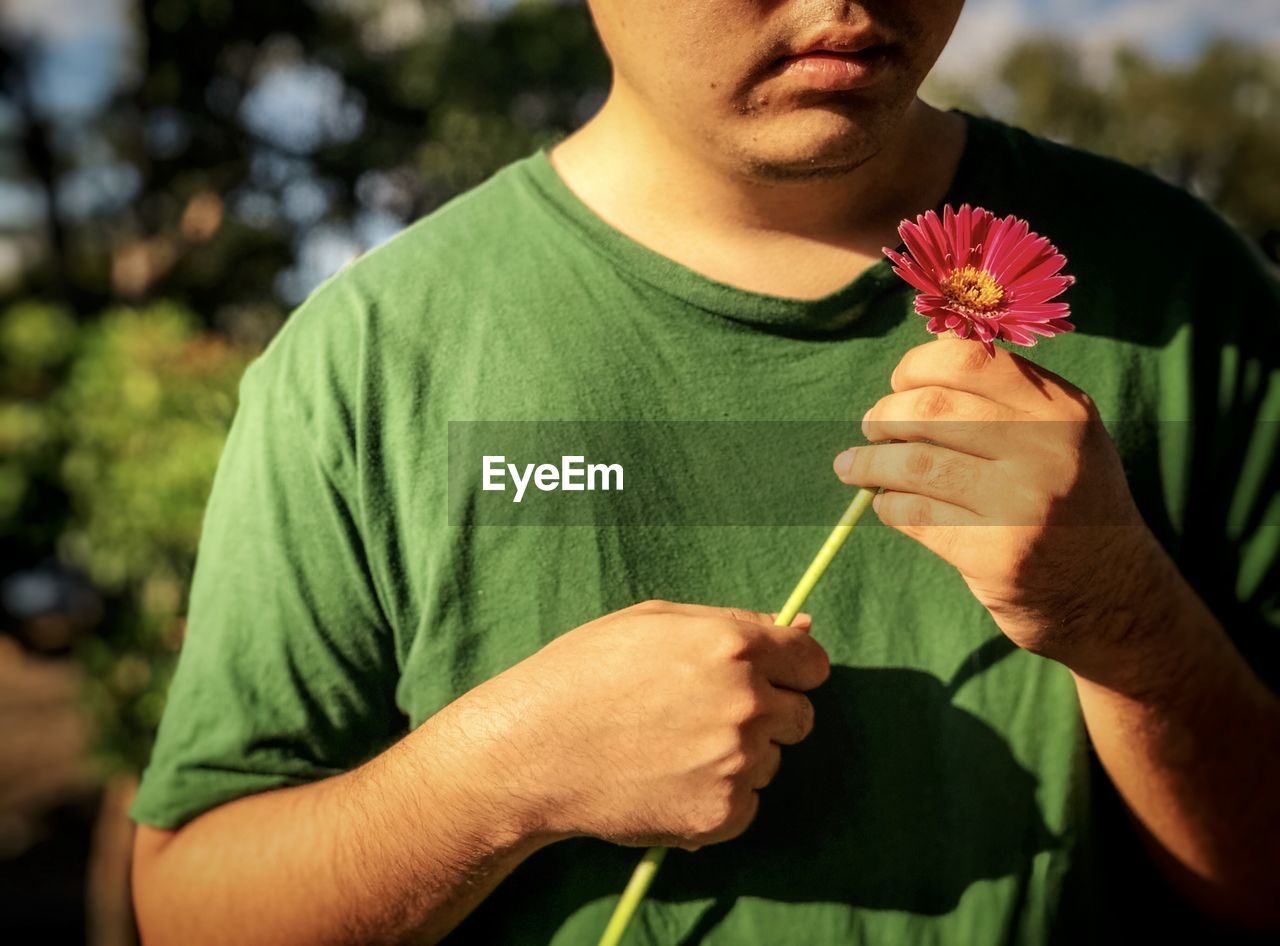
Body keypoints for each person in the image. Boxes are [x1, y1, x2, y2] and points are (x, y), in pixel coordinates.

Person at [128, 2, 1280, 944]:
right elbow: (190, 904)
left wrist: (1125, 619)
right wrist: (502, 776)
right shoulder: (369, 357)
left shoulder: (1190, 303)